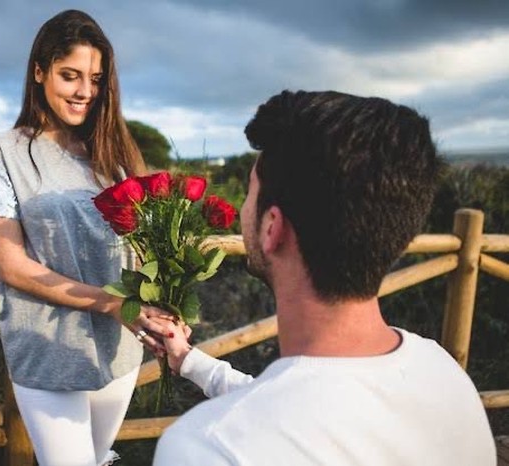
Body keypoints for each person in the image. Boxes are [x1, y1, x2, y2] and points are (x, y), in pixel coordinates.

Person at [152, 90, 497, 465]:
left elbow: (284, 417)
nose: (243, 209)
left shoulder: (204, 447)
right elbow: (301, 410)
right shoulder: (443, 372)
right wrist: (188, 360)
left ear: (272, 228)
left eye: (250, 192)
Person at [0, 10, 173, 466]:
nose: (84, 92)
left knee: (97, 458)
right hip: (47, 348)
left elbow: (141, 248)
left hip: (118, 348)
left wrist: (166, 298)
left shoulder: (114, 154)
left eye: (95, 79)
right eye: (70, 75)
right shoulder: (1, 151)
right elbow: (13, 267)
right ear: (39, 72)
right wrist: (111, 303)